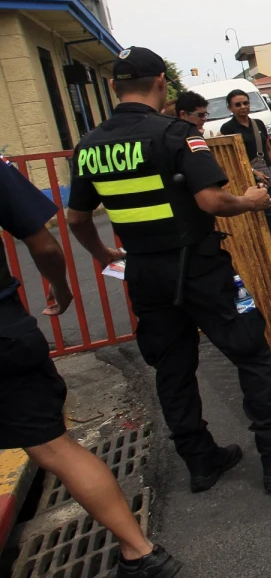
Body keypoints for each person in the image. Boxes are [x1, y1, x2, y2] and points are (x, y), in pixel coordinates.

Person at [65, 46, 271, 495]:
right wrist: (250, 201)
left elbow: (76, 219)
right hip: (198, 267)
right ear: (163, 83)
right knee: (252, 355)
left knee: (173, 369)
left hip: (143, 272)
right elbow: (211, 201)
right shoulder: (176, 134)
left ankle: (202, 463)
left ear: (112, 87)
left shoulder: (89, 146)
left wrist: (106, 253)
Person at [1, 157, 182, 577]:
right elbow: (43, 242)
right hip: (5, 333)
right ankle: (140, 551)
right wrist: (61, 288)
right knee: (54, 447)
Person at [219, 89, 271, 263]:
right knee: (250, 213)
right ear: (230, 108)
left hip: (266, 172)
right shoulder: (228, 128)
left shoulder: (258, 124)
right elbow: (232, 157)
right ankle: (259, 253)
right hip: (245, 175)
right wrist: (252, 172)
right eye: (237, 104)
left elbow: (268, 149)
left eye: (245, 103)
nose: (243, 107)